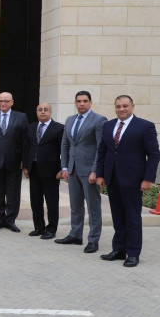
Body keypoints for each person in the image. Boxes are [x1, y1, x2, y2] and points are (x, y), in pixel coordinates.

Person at [96, 95, 160, 268]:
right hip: (112, 179)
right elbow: (102, 151)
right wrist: (100, 174)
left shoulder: (145, 126)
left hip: (133, 180)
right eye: (118, 106)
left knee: (132, 217)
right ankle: (119, 250)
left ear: (132, 106)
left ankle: (133, 253)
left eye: (125, 106)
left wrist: (148, 178)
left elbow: (154, 154)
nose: (122, 109)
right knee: (118, 216)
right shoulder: (108, 125)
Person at [55, 91, 107, 253]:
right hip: (72, 170)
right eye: (79, 101)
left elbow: (101, 147)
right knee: (75, 205)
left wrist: (95, 171)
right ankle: (75, 235)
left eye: (85, 101)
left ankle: (93, 240)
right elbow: (65, 144)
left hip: (89, 171)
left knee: (93, 207)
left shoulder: (99, 120)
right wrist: (64, 167)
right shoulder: (70, 120)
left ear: (90, 102)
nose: (82, 104)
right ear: (75, 103)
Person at [0, 91, 28, 232]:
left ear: (12, 102)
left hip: (14, 162)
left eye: (6, 101)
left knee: (13, 193)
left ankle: (10, 220)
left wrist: (24, 160)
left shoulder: (21, 117)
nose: (3, 103)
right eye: (0, 101)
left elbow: (25, 140)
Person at [22, 103, 64, 239]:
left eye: (46, 110)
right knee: (35, 201)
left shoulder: (59, 128)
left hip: (51, 171)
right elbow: (26, 147)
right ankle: (39, 227)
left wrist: (61, 168)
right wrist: (26, 166)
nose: (43, 112)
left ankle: (51, 229)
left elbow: (63, 150)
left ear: (51, 112)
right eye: (40, 110)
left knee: (51, 202)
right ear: (36, 112)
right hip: (34, 169)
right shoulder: (31, 127)